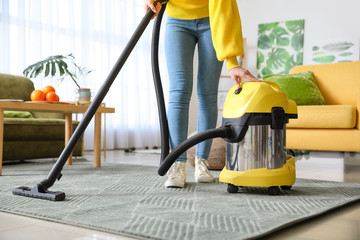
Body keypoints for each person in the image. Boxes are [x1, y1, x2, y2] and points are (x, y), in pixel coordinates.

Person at [145, 0, 261, 188]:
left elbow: (225, 12)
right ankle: (177, 163)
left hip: (211, 21)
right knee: (179, 91)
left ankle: (201, 162)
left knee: (207, 93)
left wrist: (232, 63)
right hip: (177, 20)